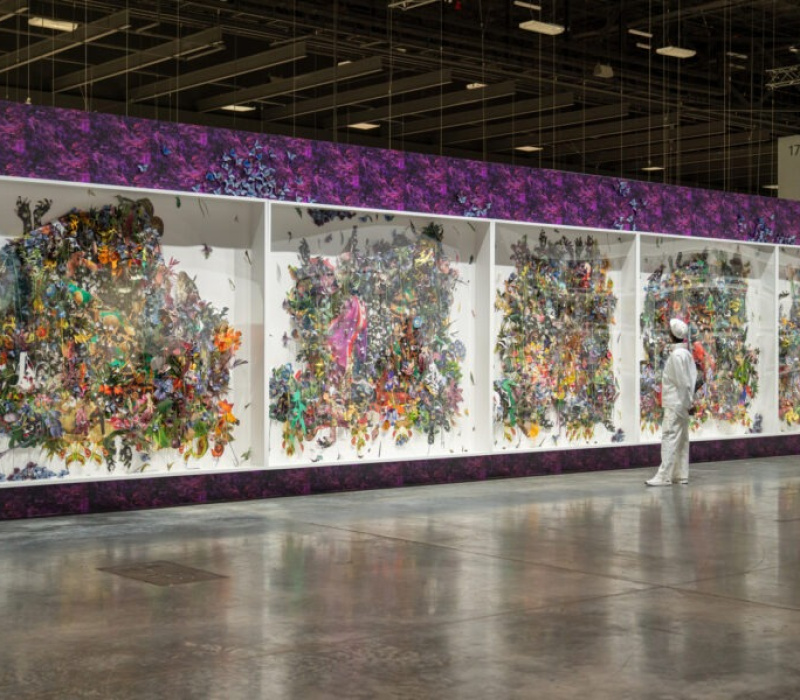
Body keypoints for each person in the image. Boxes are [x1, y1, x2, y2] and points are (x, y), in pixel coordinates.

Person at [645, 318, 698, 487]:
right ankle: (680, 474)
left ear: (671, 334)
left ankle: (664, 475)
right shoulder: (686, 354)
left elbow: (683, 382)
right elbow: (691, 379)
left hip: (675, 403)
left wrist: (688, 402)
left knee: (669, 437)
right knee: (681, 440)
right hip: (681, 403)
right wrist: (689, 401)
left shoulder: (677, 356)